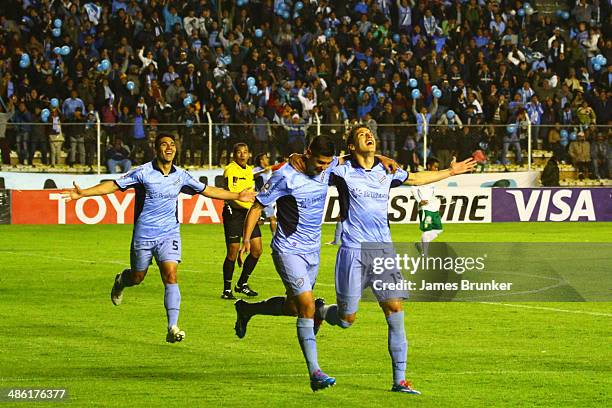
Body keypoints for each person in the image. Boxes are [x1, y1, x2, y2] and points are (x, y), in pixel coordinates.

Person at [314, 125, 475, 394]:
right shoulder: (340, 170)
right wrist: (340, 158)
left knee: (396, 312)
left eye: (371, 133)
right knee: (346, 319)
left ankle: (399, 380)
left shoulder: (386, 171)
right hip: (353, 251)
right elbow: (314, 163)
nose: (369, 136)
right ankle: (321, 311)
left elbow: (415, 179)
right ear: (352, 146)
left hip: (383, 251)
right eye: (361, 134)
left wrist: (451, 171)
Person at [62, 134, 256, 342]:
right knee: (137, 277)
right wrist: (83, 194)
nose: (169, 148)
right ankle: (121, 281)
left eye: (172, 144)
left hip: (169, 233)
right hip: (144, 234)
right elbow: (113, 185)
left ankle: (172, 326)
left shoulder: (181, 175)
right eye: (164, 144)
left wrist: (237, 196)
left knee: (171, 275)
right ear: (157, 149)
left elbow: (207, 190)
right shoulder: (143, 173)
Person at [233, 135, 340, 391]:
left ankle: (247, 310)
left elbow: (353, 160)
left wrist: (385, 158)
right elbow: (258, 207)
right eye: (320, 162)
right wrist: (246, 240)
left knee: (293, 308)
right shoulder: (285, 176)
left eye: (327, 163)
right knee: (307, 307)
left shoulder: (329, 168)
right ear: (307, 153)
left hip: (313, 251)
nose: (323, 167)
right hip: (288, 250)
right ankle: (315, 372)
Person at [221, 143, 261, 299]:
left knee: (257, 250)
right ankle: (226, 289)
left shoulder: (249, 171)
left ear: (249, 154)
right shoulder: (231, 170)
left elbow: (250, 193)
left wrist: (255, 209)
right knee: (232, 251)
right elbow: (232, 195)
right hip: (234, 213)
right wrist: (252, 206)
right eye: (239, 152)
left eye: (245, 152)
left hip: (248, 213)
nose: (242, 155)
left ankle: (242, 284)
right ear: (234, 155)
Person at [411, 158, 444, 256]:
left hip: (433, 208)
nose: (436, 169)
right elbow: (413, 188)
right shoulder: (422, 176)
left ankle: (421, 245)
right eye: (435, 167)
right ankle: (424, 253)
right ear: (429, 166)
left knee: (439, 229)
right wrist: (419, 201)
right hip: (425, 208)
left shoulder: (434, 177)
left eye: (438, 167)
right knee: (427, 230)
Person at [252, 152, 277, 235]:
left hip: (267, 197)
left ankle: (274, 237)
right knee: (261, 220)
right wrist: (262, 171)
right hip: (259, 197)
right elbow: (252, 176)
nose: (268, 159)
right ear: (261, 160)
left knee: (272, 219)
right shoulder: (257, 169)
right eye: (266, 158)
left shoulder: (269, 171)